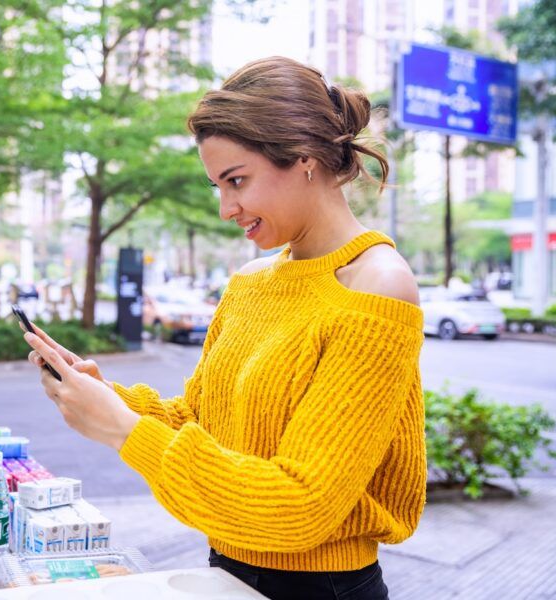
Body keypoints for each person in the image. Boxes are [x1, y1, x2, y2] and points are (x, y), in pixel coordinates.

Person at [22, 56, 425, 600]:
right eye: (217, 185)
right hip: (224, 568)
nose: (225, 208)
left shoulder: (377, 286)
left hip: (321, 588)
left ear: (304, 158)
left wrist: (122, 428)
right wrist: (109, 397)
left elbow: (301, 507)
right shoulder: (252, 281)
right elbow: (200, 420)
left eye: (236, 181)